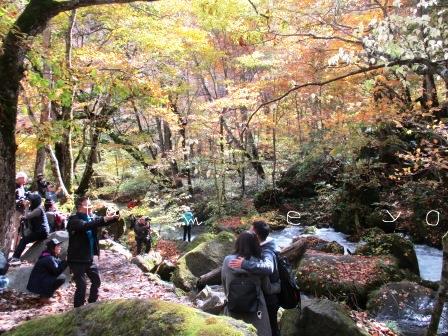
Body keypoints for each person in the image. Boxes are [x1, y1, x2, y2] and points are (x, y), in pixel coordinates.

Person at [222, 231, 279, 336]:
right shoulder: (258, 263)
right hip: (257, 312)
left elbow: (224, 284)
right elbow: (267, 288)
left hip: (233, 309)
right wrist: (278, 286)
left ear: (238, 243)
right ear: (255, 245)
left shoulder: (227, 261)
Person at [67, 196, 119, 308]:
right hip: (77, 259)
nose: (90, 207)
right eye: (88, 205)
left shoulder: (92, 217)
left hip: (90, 258)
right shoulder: (73, 220)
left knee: (96, 281)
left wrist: (114, 216)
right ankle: (78, 310)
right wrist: (103, 219)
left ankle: (92, 304)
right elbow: (85, 226)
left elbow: (101, 221)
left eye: (91, 205)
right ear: (80, 207)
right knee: (81, 286)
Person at [10, 193, 50, 263]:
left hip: (41, 232)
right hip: (39, 231)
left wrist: (26, 206)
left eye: (31, 200)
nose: (29, 201)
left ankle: (15, 257)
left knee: (24, 240)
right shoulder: (37, 208)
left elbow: (26, 217)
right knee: (24, 239)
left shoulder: (38, 209)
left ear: (34, 202)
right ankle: (15, 256)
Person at [27, 238, 67, 304]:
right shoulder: (49, 258)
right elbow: (57, 271)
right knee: (61, 278)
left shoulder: (48, 255)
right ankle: (45, 297)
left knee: (59, 277)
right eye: (58, 246)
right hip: (38, 284)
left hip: (39, 282)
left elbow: (58, 265)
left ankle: (45, 294)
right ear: (52, 248)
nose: (60, 248)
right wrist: (66, 261)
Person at [12, 172, 29, 250]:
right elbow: (12, 200)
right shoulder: (14, 187)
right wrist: (21, 202)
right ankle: (14, 246)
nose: (25, 179)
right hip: (17, 210)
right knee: (17, 228)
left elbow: (23, 196)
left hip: (22, 210)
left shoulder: (23, 187)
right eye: (24, 178)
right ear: (19, 178)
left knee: (21, 228)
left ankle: (17, 245)